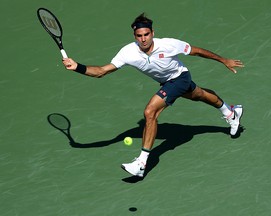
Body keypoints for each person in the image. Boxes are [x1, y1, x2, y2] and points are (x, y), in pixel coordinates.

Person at [62, 13, 244, 178]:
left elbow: (196, 51)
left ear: (152, 33)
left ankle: (141, 163)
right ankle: (230, 112)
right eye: (139, 36)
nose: (143, 39)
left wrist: (223, 60)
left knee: (150, 112)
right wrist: (77, 66)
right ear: (135, 37)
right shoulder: (128, 52)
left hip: (179, 77)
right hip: (167, 83)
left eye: (146, 34)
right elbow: (101, 71)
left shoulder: (168, 44)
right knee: (200, 95)